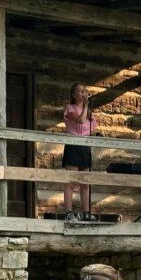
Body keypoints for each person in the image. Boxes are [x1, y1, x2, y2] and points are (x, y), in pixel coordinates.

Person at [63, 82, 97, 220]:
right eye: (79, 91)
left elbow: (92, 127)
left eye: (85, 90)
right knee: (71, 182)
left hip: (85, 146)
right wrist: (86, 105)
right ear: (73, 94)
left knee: (85, 183)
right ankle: (69, 213)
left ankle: (86, 213)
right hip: (73, 144)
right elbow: (81, 121)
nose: (83, 93)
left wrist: (87, 109)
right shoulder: (69, 108)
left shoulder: (88, 112)